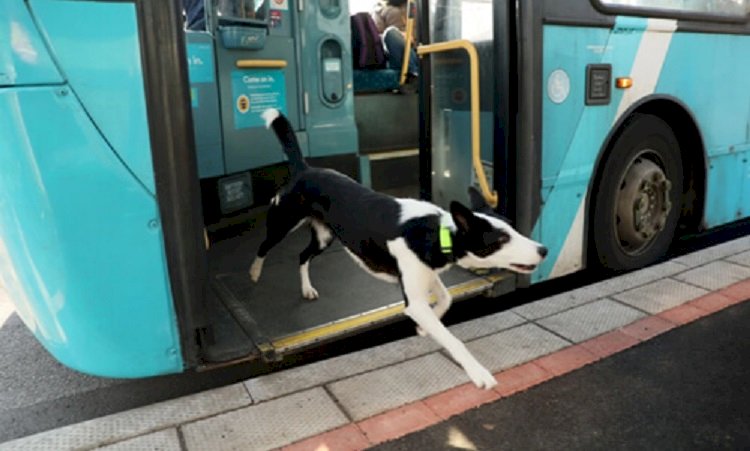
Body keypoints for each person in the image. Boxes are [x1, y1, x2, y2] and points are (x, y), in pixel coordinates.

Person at [371, 0, 419, 82]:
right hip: (396, 50)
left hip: (418, 48)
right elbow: (377, 35)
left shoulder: (416, 5)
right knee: (391, 32)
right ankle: (414, 71)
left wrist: (412, 36)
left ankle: (413, 73)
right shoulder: (379, 9)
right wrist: (400, 35)